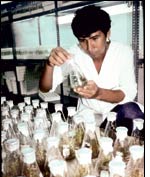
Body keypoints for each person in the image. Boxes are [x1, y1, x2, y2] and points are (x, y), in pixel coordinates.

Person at [39, 5, 144, 135]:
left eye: (95, 38)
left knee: (132, 115)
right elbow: (45, 88)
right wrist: (49, 64)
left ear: (107, 33)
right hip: (87, 113)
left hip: (116, 110)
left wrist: (98, 93)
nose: (89, 47)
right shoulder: (74, 54)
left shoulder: (123, 52)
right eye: (83, 40)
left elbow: (128, 93)